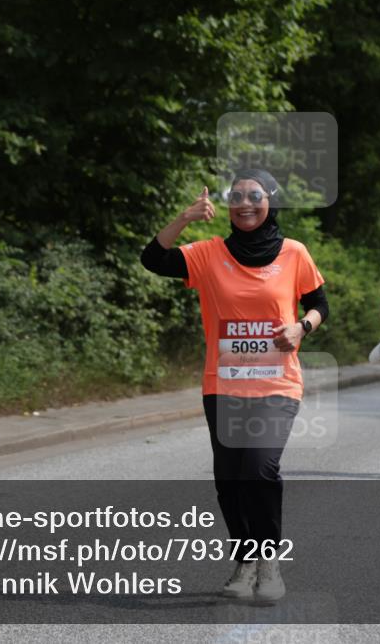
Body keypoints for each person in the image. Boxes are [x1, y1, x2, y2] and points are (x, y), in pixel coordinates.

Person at [140, 169, 328, 601]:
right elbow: (152, 259)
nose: (245, 203)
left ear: (270, 201)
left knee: (260, 468)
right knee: (229, 479)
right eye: (237, 196)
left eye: (255, 195)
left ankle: (270, 564)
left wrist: (302, 327)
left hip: (278, 383)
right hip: (222, 385)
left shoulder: (294, 253)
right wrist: (185, 217)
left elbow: (319, 303)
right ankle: (244, 562)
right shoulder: (208, 254)